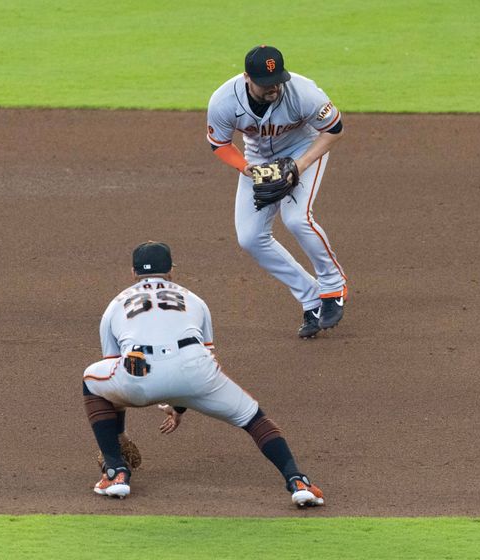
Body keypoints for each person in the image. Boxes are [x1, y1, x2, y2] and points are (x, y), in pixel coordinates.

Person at [82, 241, 324, 507]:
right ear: (171, 270)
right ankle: (298, 481)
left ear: (132, 272)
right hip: (196, 370)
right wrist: (180, 406)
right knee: (252, 417)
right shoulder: (194, 300)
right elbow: (205, 355)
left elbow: (114, 363)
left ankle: (116, 472)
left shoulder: (116, 305)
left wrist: (119, 432)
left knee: (93, 381)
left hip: (140, 372)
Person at [206, 45, 348, 338]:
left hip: (305, 150)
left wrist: (299, 165)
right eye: (265, 83)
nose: (274, 88)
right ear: (247, 77)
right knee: (250, 238)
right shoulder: (223, 101)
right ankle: (311, 299)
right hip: (258, 161)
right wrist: (248, 170)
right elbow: (219, 144)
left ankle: (333, 285)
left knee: (297, 218)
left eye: (277, 81)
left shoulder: (303, 92)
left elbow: (334, 129)